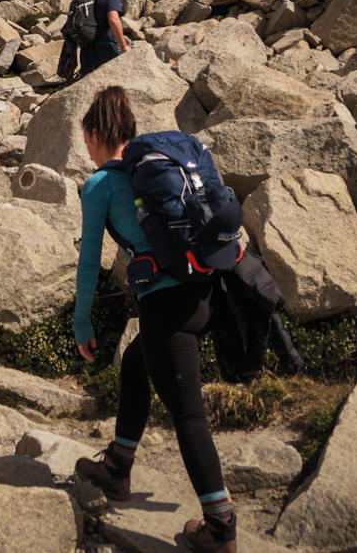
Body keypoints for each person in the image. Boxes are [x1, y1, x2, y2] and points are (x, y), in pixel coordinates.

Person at [74, 85, 239, 553]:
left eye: (86, 141)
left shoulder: (101, 185)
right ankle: (117, 467)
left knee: (188, 415)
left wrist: (82, 322)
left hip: (167, 309)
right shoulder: (159, 168)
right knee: (136, 362)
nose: (87, 151)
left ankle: (220, 527)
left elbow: (89, 260)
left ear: (94, 134)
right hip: (206, 291)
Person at [79, 0, 127, 76]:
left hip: (86, 51)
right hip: (106, 48)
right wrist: (124, 45)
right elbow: (113, 20)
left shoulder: (88, 0)